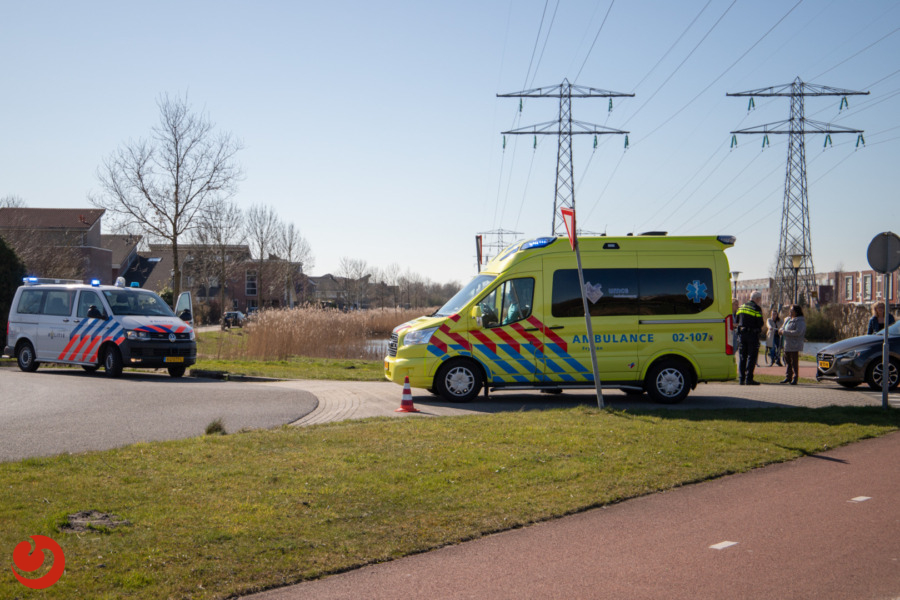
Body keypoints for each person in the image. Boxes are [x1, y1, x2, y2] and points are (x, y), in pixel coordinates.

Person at [735, 291, 764, 385]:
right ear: (757, 298)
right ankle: (749, 379)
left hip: (741, 335)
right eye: (759, 299)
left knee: (742, 357)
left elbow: (737, 320)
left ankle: (741, 379)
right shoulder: (756, 308)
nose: (760, 301)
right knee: (752, 357)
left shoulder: (741, 307)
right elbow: (760, 323)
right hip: (752, 335)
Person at [779, 304, 806, 385]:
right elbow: (783, 327)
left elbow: (798, 332)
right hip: (786, 343)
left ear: (796, 312)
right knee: (787, 360)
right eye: (790, 310)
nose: (790, 312)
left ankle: (795, 377)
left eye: (792, 310)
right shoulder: (787, 319)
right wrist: (780, 330)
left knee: (794, 362)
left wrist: (785, 332)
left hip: (794, 344)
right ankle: (788, 377)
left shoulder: (800, 321)